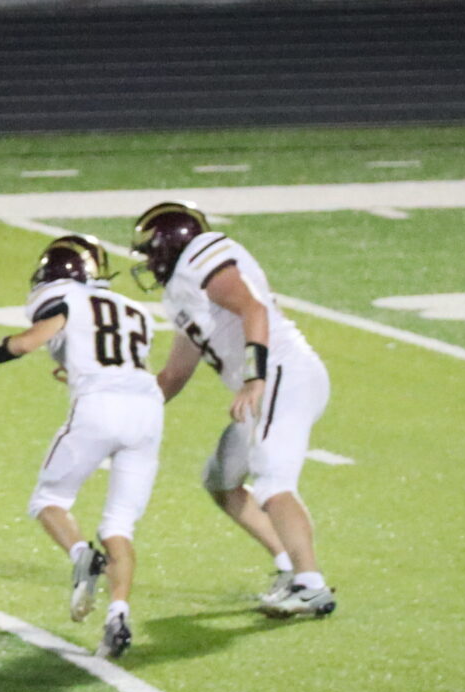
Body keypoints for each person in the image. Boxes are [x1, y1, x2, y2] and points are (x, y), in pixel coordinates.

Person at [0, 235, 163, 660]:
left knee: (49, 500)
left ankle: (81, 555)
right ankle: (118, 614)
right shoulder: (135, 310)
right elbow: (118, 359)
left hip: (99, 407)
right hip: (148, 413)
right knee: (118, 526)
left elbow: (26, 342)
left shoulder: (67, 299)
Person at [132, 202, 335, 618]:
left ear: (170, 246)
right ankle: (288, 565)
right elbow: (174, 374)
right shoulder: (181, 293)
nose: (149, 263)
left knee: (273, 481)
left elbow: (252, 308)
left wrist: (254, 378)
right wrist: (125, 411)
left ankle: (311, 586)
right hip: (267, 384)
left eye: (152, 253)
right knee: (222, 480)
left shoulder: (201, 256)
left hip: (281, 374)